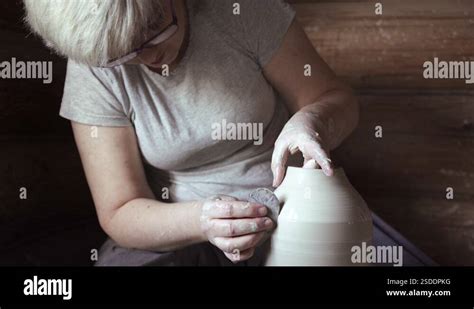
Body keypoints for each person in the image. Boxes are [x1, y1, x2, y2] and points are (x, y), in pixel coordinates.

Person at [23, 0, 359, 266]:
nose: (149, 57)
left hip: (289, 209)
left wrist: (312, 121)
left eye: (154, 30)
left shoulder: (241, 11)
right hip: (179, 227)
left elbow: (334, 100)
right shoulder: (93, 63)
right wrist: (205, 222)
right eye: (125, 54)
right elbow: (119, 209)